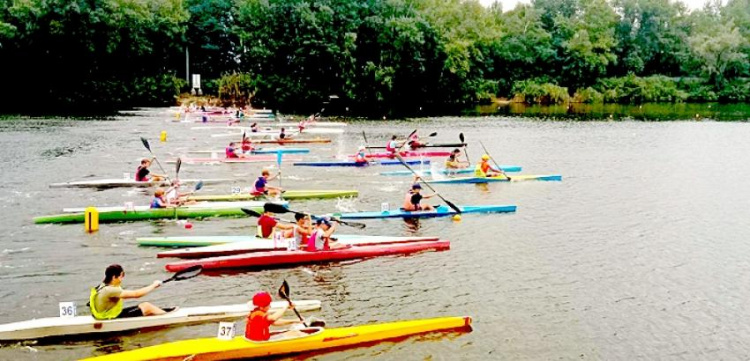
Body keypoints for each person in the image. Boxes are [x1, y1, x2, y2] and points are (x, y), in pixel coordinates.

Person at [89, 264, 174, 320]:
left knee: (143, 308)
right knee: (147, 306)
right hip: (109, 317)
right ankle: (171, 318)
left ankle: (161, 315)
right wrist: (154, 285)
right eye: (122, 276)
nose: (122, 278)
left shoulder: (102, 286)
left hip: (102, 315)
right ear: (114, 277)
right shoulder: (112, 290)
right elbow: (137, 295)